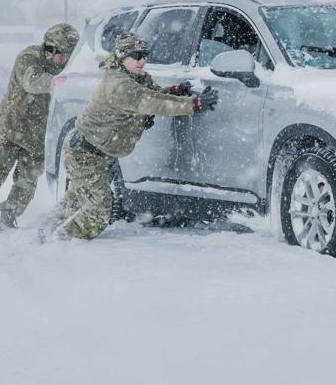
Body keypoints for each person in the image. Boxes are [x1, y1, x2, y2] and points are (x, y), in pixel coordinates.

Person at [44, 32, 218, 241]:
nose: (142, 60)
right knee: (98, 213)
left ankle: (44, 233)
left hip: (97, 153)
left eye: (145, 55)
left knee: (78, 198)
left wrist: (175, 90)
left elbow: (153, 94)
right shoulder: (119, 85)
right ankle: (61, 242)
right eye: (136, 55)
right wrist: (194, 104)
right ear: (122, 56)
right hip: (85, 154)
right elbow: (152, 102)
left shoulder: (135, 76)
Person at [0, 23, 80, 235]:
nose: (65, 60)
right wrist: (56, 82)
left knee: (26, 184)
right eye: (63, 55)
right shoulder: (28, 57)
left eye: (70, 55)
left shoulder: (66, 67)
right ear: (49, 48)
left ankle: (8, 218)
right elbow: (31, 81)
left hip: (37, 136)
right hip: (10, 129)